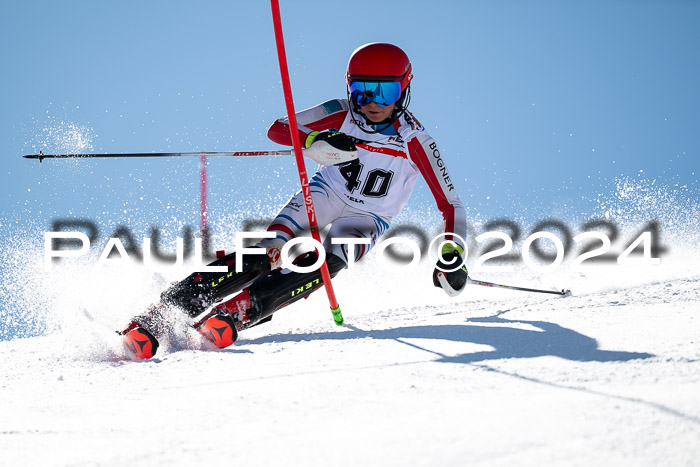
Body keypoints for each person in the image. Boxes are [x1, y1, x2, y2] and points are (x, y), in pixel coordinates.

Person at [120, 42, 468, 360]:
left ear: (404, 90)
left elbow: (450, 204)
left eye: (385, 92)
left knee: (329, 258)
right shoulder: (341, 111)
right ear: (350, 87)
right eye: (362, 91)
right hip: (324, 193)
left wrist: (453, 255)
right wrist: (312, 139)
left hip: (369, 215)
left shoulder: (416, 140)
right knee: (269, 251)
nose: (372, 102)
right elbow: (278, 128)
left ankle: (242, 312)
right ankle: (163, 314)